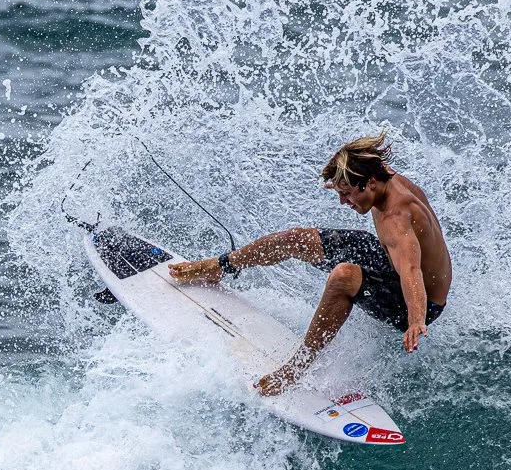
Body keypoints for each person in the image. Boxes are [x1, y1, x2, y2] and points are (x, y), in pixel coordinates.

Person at [167, 132, 452, 396]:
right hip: (393, 262)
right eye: (339, 192)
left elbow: (412, 270)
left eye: (348, 193)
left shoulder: (396, 219)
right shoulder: (379, 174)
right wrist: (343, 179)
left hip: (417, 301)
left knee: (344, 276)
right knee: (296, 239)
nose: (343, 201)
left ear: (371, 183)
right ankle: (220, 267)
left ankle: (296, 368)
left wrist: (415, 321)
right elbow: (359, 164)